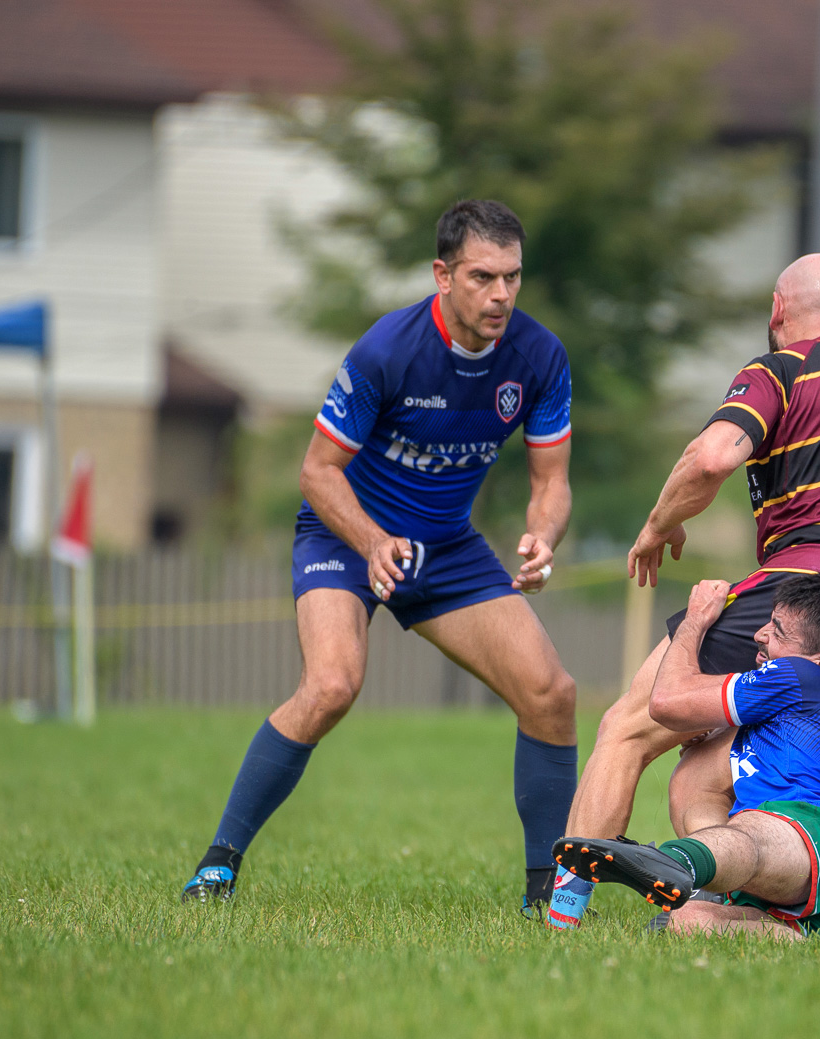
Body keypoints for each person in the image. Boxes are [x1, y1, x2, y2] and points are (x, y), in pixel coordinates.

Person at [544, 253, 820, 930]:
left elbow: (714, 456)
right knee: (716, 769)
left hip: (804, 593)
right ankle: (731, 912)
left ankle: (563, 914)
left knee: (629, 729)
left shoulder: (782, 369)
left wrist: (659, 524)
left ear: (778, 314)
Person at [180, 200, 581, 918]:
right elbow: (316, 472)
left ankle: (544, 890)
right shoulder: (386, 351)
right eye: (483, 277)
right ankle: (220, 862)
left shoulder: (540, 358)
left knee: (551, 693)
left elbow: (551, 483)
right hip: (345, 535)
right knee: (332, 684)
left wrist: (543, 538)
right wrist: (371, 542)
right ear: (441, 275)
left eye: (513, 278)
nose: (500, 296)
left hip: (447, 547)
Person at [555, 574, 820, 939]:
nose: (759, 635)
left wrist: (695, 619)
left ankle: (677, 861)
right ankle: (811, 939)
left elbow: (666, 702)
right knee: (687, 922)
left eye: (778, 631)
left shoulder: (802, 676)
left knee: (752, 834)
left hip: (818, 838)